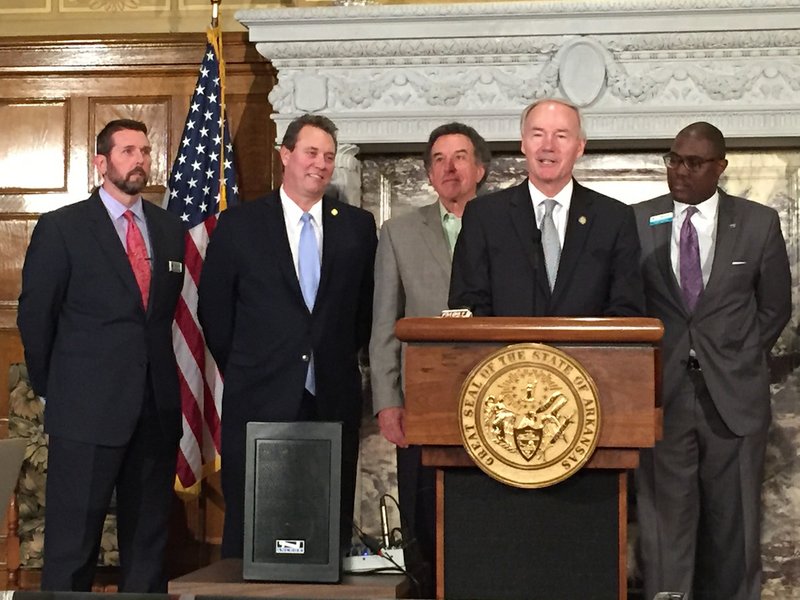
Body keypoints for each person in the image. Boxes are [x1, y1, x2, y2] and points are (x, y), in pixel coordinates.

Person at [198, 113, 377, 558]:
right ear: (286, 155)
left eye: (329, 156)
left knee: (326, 518)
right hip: (260, 394)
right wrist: (251, 366)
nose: (320, 163)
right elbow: (215, 314)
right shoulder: (240, 226)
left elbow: (364, 312)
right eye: (311, 152)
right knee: (256, 523)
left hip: (332, 394)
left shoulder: (356, 227)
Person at [17, 119, 185, 592]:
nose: (140, 160)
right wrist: (59, 391)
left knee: (148, 542)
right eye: (128, 150)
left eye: (146, 151)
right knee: (73, 544)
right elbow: (36, 319)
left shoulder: (169, 229)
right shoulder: (63, 228)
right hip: (85, 411)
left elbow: (160, 318)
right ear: (101, 162)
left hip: (154, 407)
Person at [634, 122, 791, 600]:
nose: (680, 171)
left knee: (735, 527)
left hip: (734, 399)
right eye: (673, 159)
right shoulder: (638, 220)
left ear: (719, 167)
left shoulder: (758, 222)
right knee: (665, 528)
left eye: (693, 162)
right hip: (663, 397)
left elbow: (775, 307)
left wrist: (736, 355)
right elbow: (626, 306)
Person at [369, 122, 491, 591]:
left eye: (460, 157)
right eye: (438, 159)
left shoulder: (506, 223)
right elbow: (384, 323)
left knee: (482, 518)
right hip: (422, 403)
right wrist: (387, 400)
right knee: (425, 522)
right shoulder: (399, 232)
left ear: (479, 168)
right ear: (428, 173)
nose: (449, 167)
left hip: (491, 398)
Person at [448, 98, 645, 317]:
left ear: (580, 146)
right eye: (537, 134)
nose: (548, 146)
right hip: (505, 351)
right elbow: (468, 305)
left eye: (561, 135)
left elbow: (626, 308)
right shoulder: (484, 216)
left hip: (586, 351)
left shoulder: (614, 219)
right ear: (523, 143)